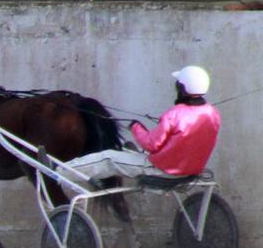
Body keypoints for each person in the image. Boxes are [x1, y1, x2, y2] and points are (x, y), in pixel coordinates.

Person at [67, 65, 221, 182]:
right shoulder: (212, 113)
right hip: (193, 169)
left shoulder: (174, 114)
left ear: (181, 88)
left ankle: (60, 171)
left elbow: (150, 144)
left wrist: (136, 127)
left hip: (163, 170)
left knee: (108, 158)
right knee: (128, 154)